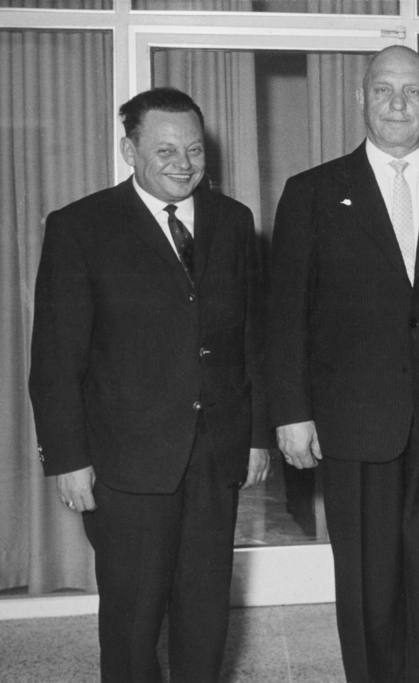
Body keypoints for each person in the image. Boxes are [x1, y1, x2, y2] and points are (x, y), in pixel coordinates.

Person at [266, 46, 419, 683]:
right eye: (384, 90)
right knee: (368, 597)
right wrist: (291, 412)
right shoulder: (312, 193)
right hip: (354, 425)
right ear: (361, 99)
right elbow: (285, 315)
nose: (398, 104)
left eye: (413, 92)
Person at [29, 87, 271, 683]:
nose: (183, 164)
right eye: (165, 150)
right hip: (125, 463)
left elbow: (253, 339)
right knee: (133, 622)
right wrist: (67, 459)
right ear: (129, 150)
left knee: (205, 613)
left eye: (194, 149)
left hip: (214, 455)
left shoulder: (233, 222)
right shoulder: (80, 227)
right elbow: (56, 357)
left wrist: (256, 435)